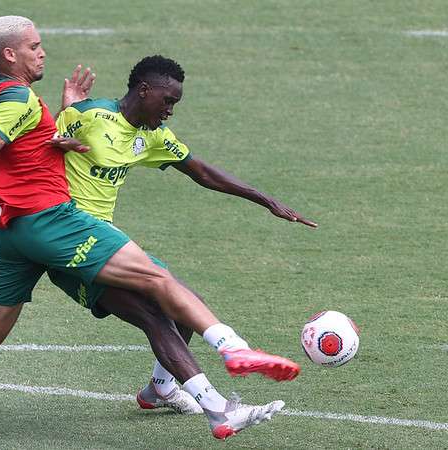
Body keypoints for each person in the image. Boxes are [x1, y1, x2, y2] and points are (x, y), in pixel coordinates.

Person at [0, 16, 297, 442]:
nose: (43, 52)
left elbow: (14, 150)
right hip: (53, 223)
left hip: (15, 234)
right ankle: (232, 355)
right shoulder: (20, 98)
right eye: (34, 46)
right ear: (10, 55)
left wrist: (54, 140)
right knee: (161, 283)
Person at [47, 54, 318, 437]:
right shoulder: (92, 117)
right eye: (168, 100)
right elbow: (46, 143)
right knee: (155, 316)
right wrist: (67, 115)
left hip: (106, 240)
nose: (170, 110)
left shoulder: (151, 136)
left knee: (183, 304)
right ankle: (218, 409)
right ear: (144, 90)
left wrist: (264, 199)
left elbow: (201, 171)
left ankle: (160, 389)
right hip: (68, 245)